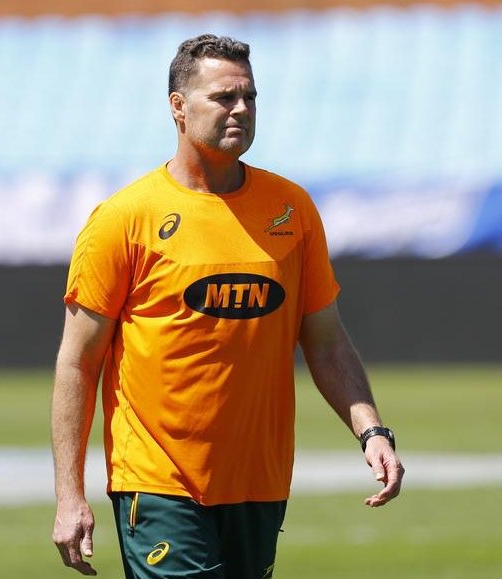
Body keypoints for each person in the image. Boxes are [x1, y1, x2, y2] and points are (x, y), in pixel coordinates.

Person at [51, 34, 404, 579]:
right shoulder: (124, 219)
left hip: (260, 483)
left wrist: (372, 430)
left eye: (250, 97)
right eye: (223, 97)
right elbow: (78, 361)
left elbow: (327, 341)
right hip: (159, 483)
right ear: (178, 107)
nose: (241, 109)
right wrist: (69, 494)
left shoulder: (291, 209)